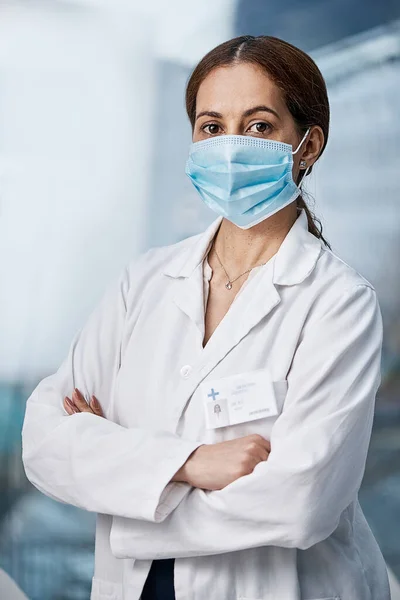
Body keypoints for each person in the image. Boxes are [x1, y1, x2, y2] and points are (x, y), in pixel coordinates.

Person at [21, 35, 391, 600]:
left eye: (260, 126)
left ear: (309, 145)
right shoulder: (141, 283)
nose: (230, 147)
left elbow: (300, 504)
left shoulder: (337, 302)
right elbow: (45, 443)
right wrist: (190, 463)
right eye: (212, 126)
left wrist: (125, 493)